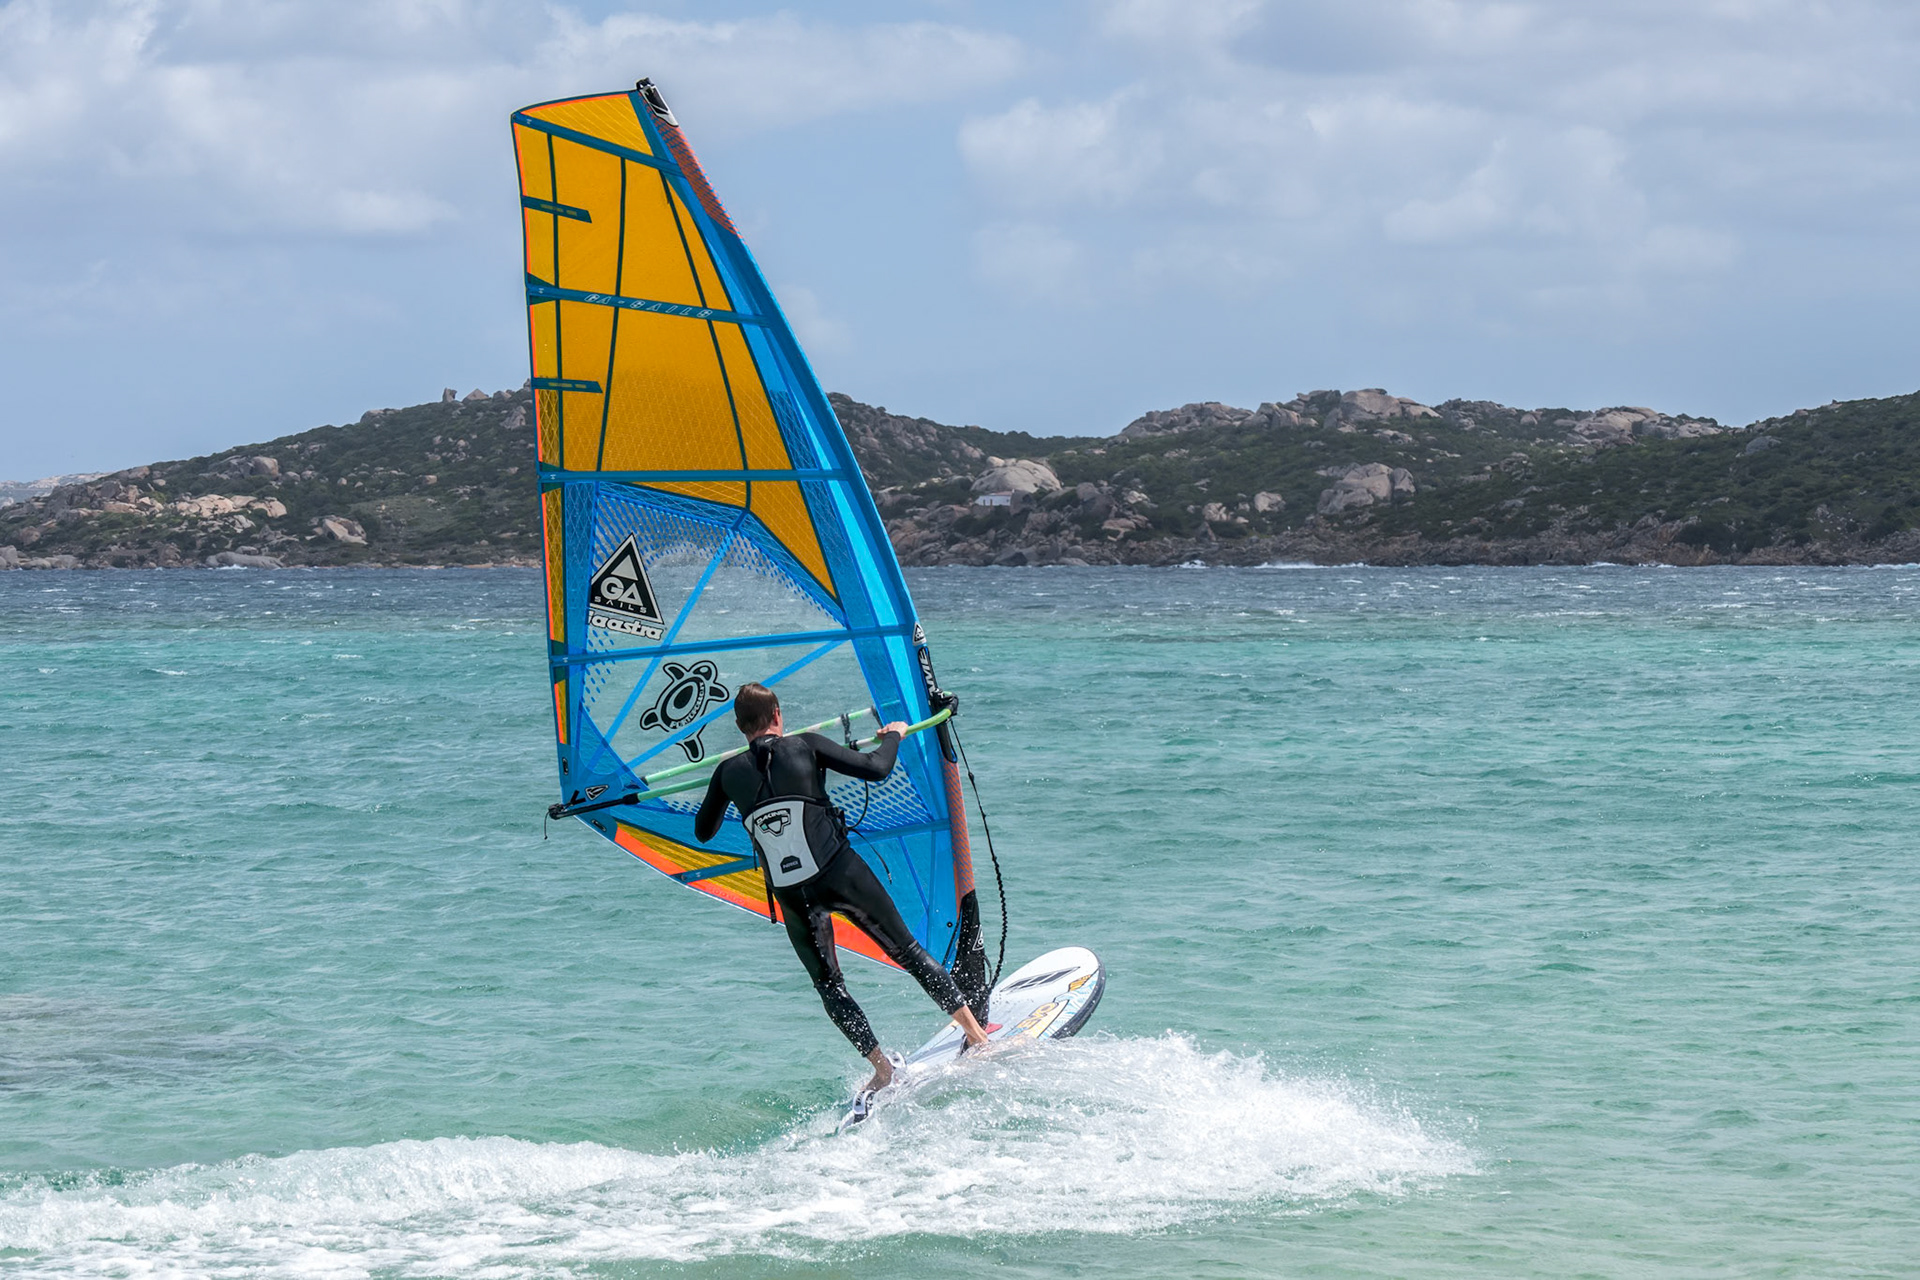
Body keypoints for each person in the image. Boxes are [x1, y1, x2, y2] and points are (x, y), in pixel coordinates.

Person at [695, 682, 991, 1097]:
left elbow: (703, 831)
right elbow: (876, 768)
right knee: (907, 950)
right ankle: (978, 1038)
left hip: (792, 894)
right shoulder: (806, 745)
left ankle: (882, 1069)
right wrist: (893, 736)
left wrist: (729, 789)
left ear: (740, 726)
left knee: (829, 986)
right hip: (839, 873)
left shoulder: (728, 772)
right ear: (777, 715)